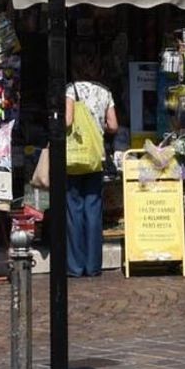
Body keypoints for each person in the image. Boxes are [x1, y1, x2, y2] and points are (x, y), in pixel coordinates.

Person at [65, 64, 118, 277]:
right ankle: (93, 265)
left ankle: (75, 266)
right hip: (96, 156)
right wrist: (97, 126)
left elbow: (67, 120)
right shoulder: (105, 92)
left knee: (73, 210)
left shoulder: (71, 90)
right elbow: (113, 125)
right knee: (93, 209)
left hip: (74, 157)